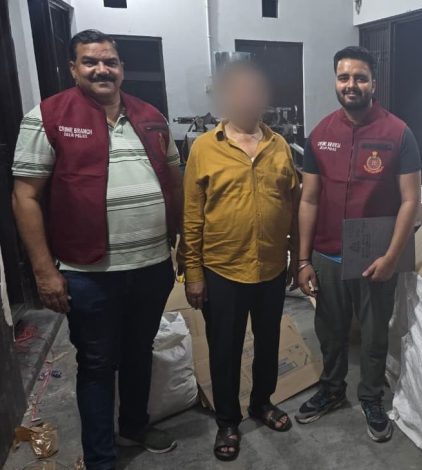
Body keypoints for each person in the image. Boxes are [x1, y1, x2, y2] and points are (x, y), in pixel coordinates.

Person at [11, 30, 180, 470]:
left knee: (140, 351)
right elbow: (25, 196)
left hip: (152, 266)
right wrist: (44, 272)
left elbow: (174, 179)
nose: (102, 69)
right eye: (90, 62)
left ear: (121, 68)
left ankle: (134, 427)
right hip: (88, 274)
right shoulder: (48, 116)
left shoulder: (150, 116)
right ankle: (101, 457)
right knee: (98, 364)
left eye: (110, 62)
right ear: (73, 69)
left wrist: (178, 242)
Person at [295, 46, 421, 442]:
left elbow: (410, 200)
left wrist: (392, 256)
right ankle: (332, 389)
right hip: (327, 254)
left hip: (374, 256)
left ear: (373, 83)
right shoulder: (320, 134)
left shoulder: (398, 133)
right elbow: (309, 199)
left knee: (373, 334)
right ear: (336, 81)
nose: (351, 84)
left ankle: (371, 397)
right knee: (330, 330)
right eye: (344, 77)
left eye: (360, 77)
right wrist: (303, 260)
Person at [180, 60, 300, 461]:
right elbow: (192, 216)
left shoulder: (279, 146)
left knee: (268, 343)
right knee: (225, 349)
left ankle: (262, 402)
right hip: (222, 270)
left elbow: (293, 205)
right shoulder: (204, 148)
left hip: (270, 268)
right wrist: (193, 273)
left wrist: (296, 258)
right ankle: (228, 420)